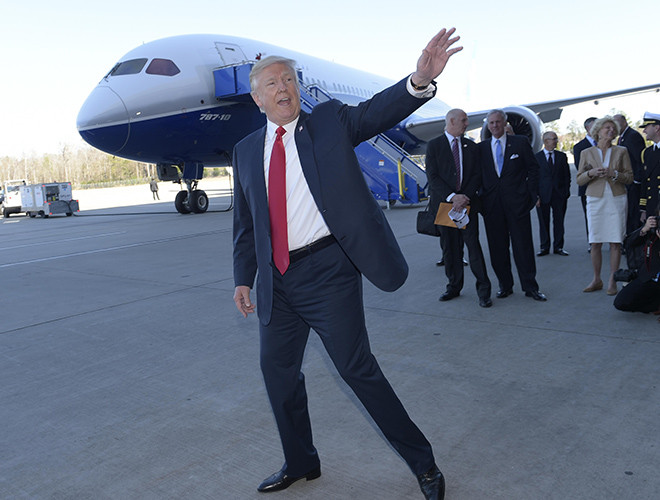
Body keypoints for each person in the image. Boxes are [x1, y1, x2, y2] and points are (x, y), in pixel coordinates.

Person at [232, 29, 463, 500]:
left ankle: (424, 464)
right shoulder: (246, 150)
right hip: (277, 281)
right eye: (272, 83)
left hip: (327, 272)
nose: (283, 88)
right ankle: (302, 461)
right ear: (258, 99)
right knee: (278, 376)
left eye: (289, 80)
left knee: (358, 371)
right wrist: (243, 278)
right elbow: (245, 221)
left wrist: (419, 80)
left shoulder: (329, 123)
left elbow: (376, 111)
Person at [426, 108, 492, 307]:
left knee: (473, 248)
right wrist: (453, 197)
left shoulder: (471, 147)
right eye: (463, 120)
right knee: (450, 249)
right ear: (452, 121)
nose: (466, 124)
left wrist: (464, 197)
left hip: (467, 205)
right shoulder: (434, 146)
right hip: (445, 206)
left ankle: (484, 291)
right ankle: (453, 287)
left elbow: (477, 175)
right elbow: (432, 176)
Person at [478, 109, 547, 301]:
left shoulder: (520, 143)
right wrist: (481, 199)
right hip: (492, 207)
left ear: (505, 123)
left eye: (498, 122)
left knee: (523, 247)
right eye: (491, 123)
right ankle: (505, 285)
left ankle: (530, 287)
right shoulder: (481, 148)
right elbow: (477, 175)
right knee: (497, 249)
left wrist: (530, 195)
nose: (494, 126)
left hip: (518, 205)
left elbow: (533, 169)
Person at [576, 116, 633, 295]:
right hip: (595, 200)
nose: (611, 130)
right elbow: (579, 179)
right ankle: (596, 279)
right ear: (598, 131)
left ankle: (612, 280)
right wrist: (591, 173)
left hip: (616, 199)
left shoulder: (622, 151)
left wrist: (614, 173)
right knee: (595, 242)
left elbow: (629, 177)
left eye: (613, 128)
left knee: (615, 242)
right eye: (607, 128)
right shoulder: (586, 153)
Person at [614, 209, 660, 315]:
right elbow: (629, 243)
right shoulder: (653, 230)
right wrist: (644, 229)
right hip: (650, 277)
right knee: (621, 302)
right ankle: (656, 304)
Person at [535, 131, 571, 256]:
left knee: (559, 222)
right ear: (546, 141)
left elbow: (566, 176)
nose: (556, 141)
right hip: (543, 195)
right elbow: (534, 178)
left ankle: (558, 247)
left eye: (556, 139)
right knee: (543, 222)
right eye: (554, 139)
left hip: (559, 195)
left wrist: (566, 192)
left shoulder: (561, 156)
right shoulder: (537, 157)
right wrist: (536, 196)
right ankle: (544, 247)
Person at [613, 114, 646, 234]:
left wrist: (636, 181)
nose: (615, 127)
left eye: (617, 123)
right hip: (626, 182)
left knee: (633, 215)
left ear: (624, 122)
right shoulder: (622, 137)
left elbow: (638, 160)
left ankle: (634, 240)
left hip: (633, 184)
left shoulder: (632, 136)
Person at [572, 117, 598, 250]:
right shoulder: (579, 147)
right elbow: (581, 168)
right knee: (590, 217)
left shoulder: (606, 144)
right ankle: (592, 242)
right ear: (588, 128)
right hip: (588, 187)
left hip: (606, 186)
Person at [639, 112, 660, 224]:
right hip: (652, 206)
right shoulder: (646, 153)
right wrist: (644, 209)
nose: (644, 131)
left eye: (646, 127)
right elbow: (645, 182)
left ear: (657, 128)